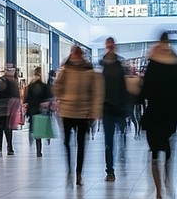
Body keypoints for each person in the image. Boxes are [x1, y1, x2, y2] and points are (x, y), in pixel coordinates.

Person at [141, 32, 177, 199]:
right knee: (168, 150)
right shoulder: (174, 62)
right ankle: (167, 181)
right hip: (170, 114)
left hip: (154, 113)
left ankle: (158, 191)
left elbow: (145, 89)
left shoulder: (152, 62)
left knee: (154, 151)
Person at [53, 46, 103, 186]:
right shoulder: (65, 70)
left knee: (81, 144)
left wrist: (95, 110)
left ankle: (78, 172)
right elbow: (57, 88)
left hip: (83, 113)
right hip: (68, 112)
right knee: (68, 142)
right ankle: (71, 169)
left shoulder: (89, 70)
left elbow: (95, 91)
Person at [100, 37, 128, 181]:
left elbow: (124, 88)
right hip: (107, 109)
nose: (110, 47)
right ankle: (109, 169)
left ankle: (119, 159)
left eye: (112, 45)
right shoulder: (101, 64)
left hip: (118, 107)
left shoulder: (120, 65)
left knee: (119, 137)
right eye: (108, 45)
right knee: (108, 141)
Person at [24, 66, 53, 156]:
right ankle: (39, 149)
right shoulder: (45, 86)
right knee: (40, 131)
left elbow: (26, 99)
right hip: (41, 111)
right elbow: (49, 98)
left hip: (33, 110)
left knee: (35, 130)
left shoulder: (30, 86)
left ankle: (37, 148)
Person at [0, 64, 21, 155]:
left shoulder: (1, 81)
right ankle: (9, 147)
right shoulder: (13, 82)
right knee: (7, 127)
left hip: (3, 106)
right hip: (8, 107)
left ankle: (1, 147)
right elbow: (17, 95)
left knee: (2, 127)